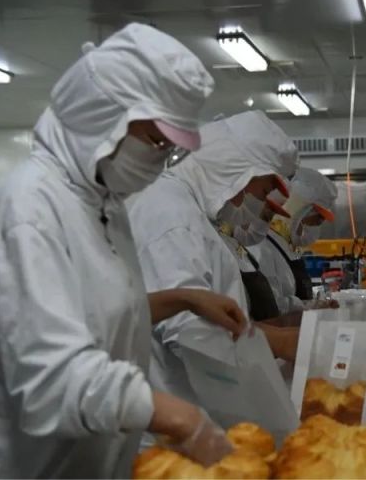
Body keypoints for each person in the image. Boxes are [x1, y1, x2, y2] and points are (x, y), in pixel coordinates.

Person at [0, 24, 248, 479]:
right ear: (103, 115)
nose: (160, 159)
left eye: (169, 148)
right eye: (156, 141)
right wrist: (180, 417)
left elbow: (89, 315)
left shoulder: (103, 206)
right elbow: (51, 376)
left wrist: (184, 298)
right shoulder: (28, 209)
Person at [128, 110, 301, 428]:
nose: (260, 203)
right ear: (237, 170)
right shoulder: (171, 214)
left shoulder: (187, 210)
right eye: (262, 191)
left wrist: (274, 336)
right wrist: (280, 343)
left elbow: (207, 312)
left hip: (190, 413)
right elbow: (189, 332)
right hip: (171, 423)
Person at [249, 167, 337, 314]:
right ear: (301, 212)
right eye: (318, 216)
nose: (318, 223)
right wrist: (309, 306)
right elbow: (272, 304)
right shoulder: (263, 245)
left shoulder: (287, 246)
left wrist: (313, 303)